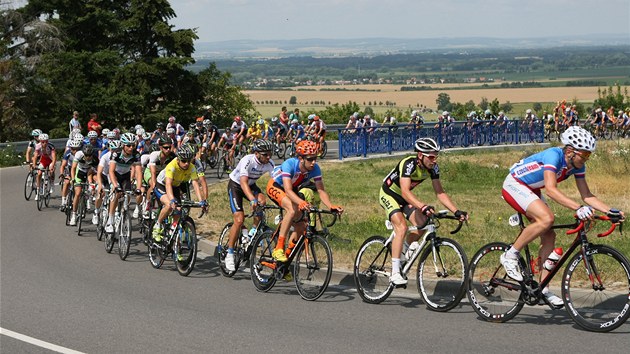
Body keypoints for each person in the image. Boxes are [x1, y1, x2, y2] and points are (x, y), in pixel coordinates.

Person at [499, 126, 624, 306]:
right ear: (571, 151)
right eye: (585, 154)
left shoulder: (576, 165)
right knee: (547, 218)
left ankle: (543, 288)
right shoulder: (553, 156)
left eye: (588, 155)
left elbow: (587, 195)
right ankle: (510, 256)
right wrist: (578, 208)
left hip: (532, 189)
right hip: (515, 184)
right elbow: (550, 189)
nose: (587, 158)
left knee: (549, 234)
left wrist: (609, 210)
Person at [379, 137, 468, 285]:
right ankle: (394, 273)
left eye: (436, 156)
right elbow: (406, 192)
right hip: (389, 194)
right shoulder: (408, 164)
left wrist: (456, 211)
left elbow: (440, 193)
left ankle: (402, 253)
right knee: (401, 227)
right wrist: (422, 206)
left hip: (404, 198)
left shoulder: (433, 168)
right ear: (420, 155)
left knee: (422, 224)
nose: (434, 160)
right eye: (431, 157)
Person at [266, 140, 343, 263]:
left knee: (301, 227)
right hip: (276, 186)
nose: (313, 162)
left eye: (315, 158)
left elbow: (321, 190)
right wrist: (300, 202)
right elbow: (288, 190)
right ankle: (278, 248)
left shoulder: (315, 168)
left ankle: (283, 262)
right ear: (301, 158)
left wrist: (330, 205)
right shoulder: (289, 164)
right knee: (292, 210)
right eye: (310, 159)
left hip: (292, 190)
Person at [224, 139, 275, 271]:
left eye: (270, 153)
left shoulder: (269, 163)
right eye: (265, 154)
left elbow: (277, 182)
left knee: (262, 202)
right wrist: (252, 199)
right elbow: (243, 182)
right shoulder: (248, 160)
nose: (268, 157)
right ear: (257, 153)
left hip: (251, 185)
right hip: (236, 185)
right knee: (239, 219)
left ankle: (252, 232)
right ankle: (229, 253)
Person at [151, 145, 207, 243]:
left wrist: (201, 200)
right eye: (184, 161)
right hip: (162, 185)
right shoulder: (172, 166)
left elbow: (195, 184)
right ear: (178, 160)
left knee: (179, 209)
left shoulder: (191, 167)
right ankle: (157, 225)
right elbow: (168, 184)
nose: (186, 164)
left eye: (188, 161)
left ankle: (172, 232)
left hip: (175, 186)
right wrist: (172, 199)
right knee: (169, 205)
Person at [106, 133, 144, 233]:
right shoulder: (116, 153)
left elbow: (139, 172)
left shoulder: (136, 154)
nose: (131, 148)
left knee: (127, 195)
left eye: (133, 145)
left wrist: (139, 187)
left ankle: (123, 213)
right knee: (116, 193)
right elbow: (111, 171)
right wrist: (115, 185)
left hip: (126, 175)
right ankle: (110, 220)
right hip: (115, 175)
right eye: (128, 145)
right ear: (123, 145)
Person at [68, 144, 98, 226]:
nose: (88, 157)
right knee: (77, 193)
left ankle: (90, 198)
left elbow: (94, 172)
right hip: (80, 172)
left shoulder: (95, 159)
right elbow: (73, 168)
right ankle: (73, 215)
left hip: (89, 172)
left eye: (90, 155)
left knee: (94, 183)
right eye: (86, 155)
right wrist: (73, 179)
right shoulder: (78, 155)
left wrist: (93, 183)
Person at [32, 133, 57, 200]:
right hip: (44, 160)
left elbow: (54, 157)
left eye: (46, 141)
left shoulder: (51, 146)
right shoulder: (38, 146)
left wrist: (52, 165)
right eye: (43, 142)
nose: (45, 143)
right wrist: (34, 164)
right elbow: (35, 156)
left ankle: (52, 183)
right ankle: (38, 190)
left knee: (51, 171)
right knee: (39, 173)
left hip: (50, 159)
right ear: (40, 141)